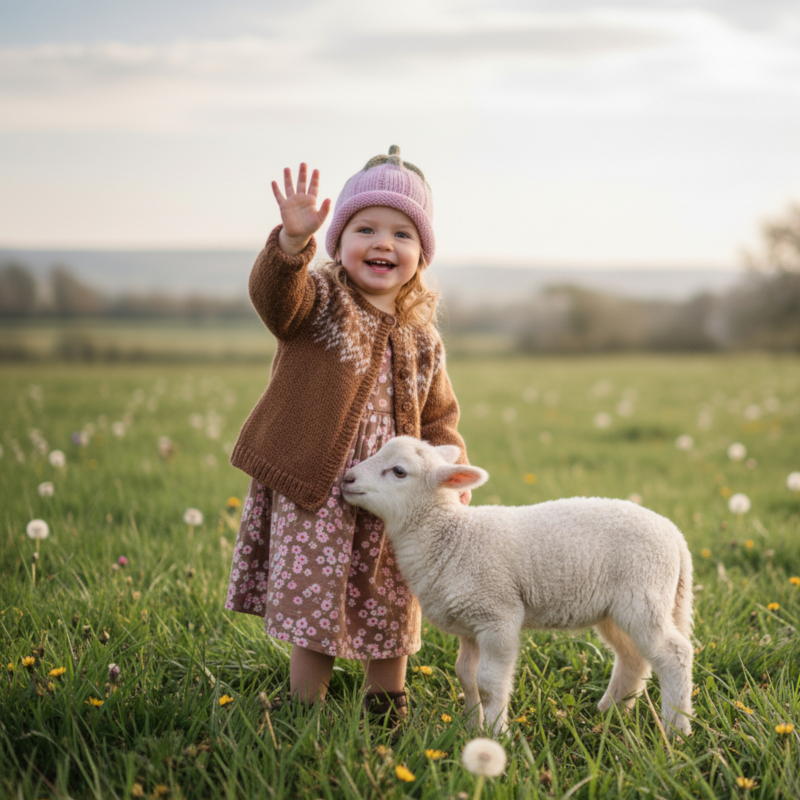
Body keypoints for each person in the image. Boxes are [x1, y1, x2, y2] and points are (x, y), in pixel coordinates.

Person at [225, 146, 468, 721]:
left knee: (390, 596)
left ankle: (387, 705)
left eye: (403, 234)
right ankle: (303, 708)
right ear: (337, 240)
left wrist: (450, 475)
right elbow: (274, 299)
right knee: (315, 598)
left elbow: (439, 418)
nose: (384, 243)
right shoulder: (320, 302)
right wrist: (289, 245)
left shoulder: (421, 334)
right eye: (366, 228)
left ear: (421, 254)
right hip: (318, 484)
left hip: (394, 495)